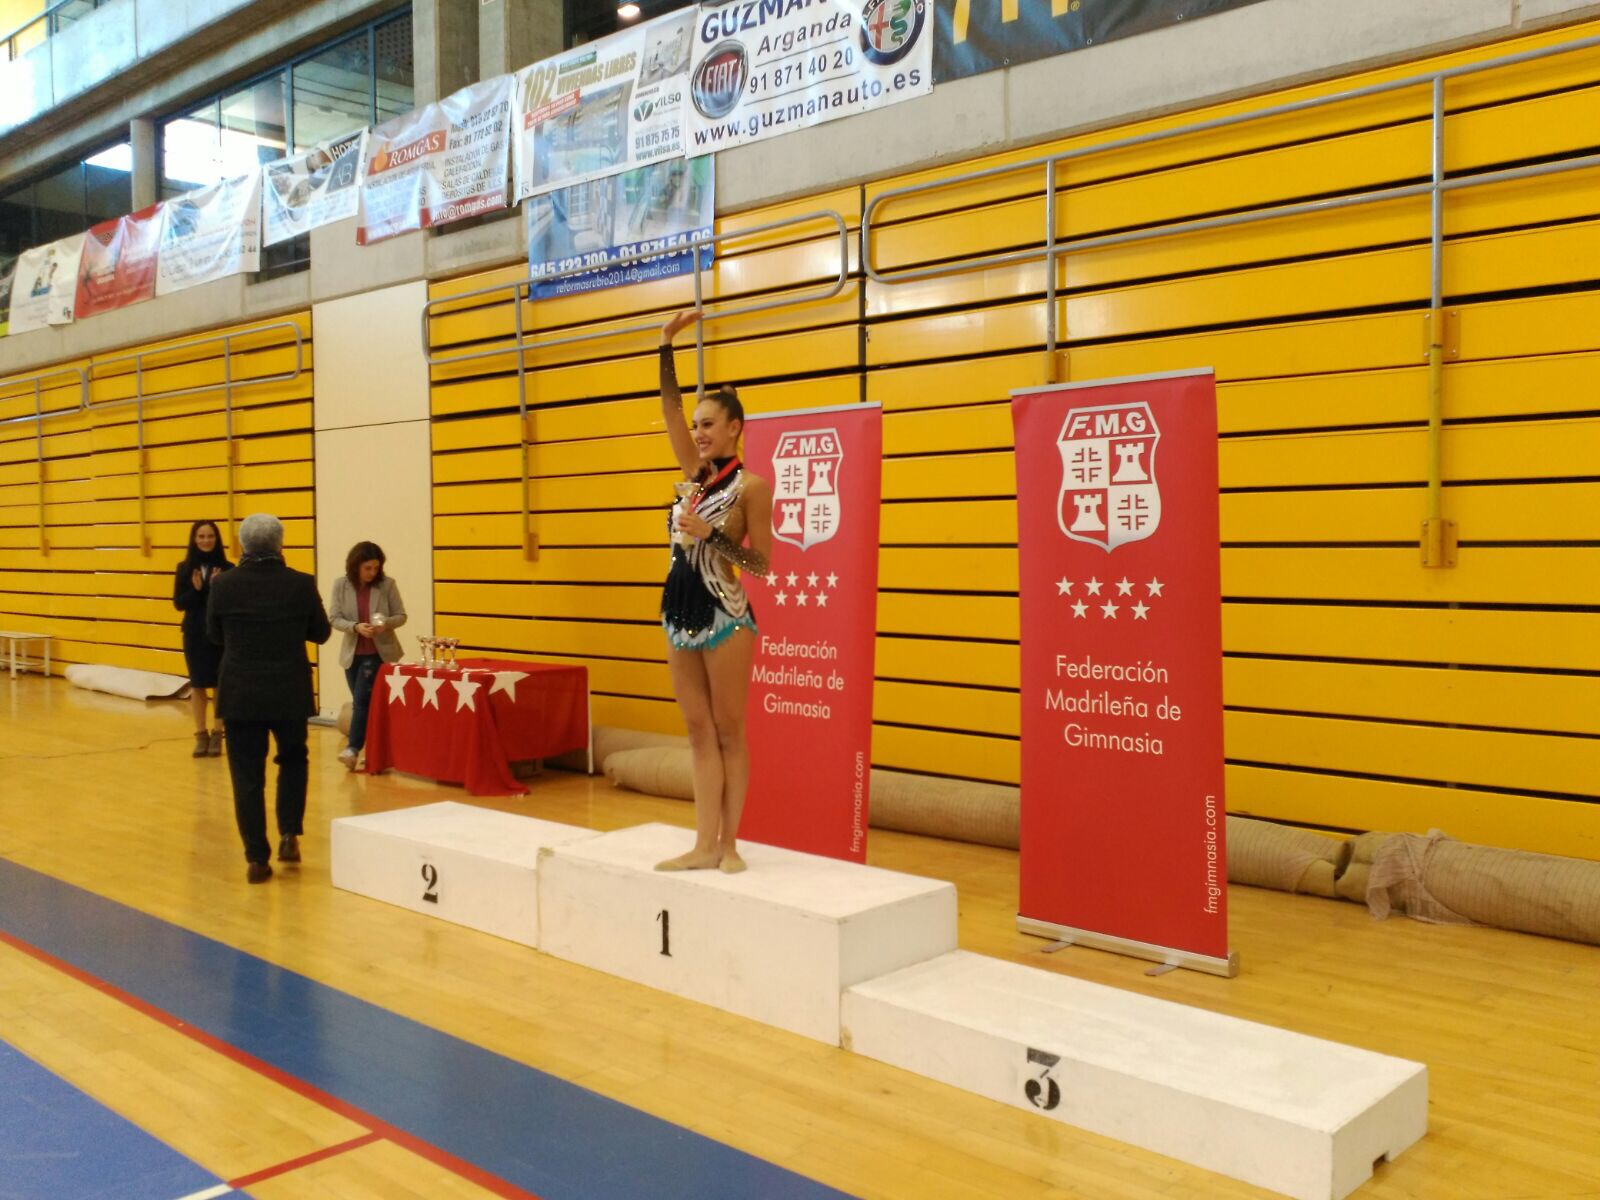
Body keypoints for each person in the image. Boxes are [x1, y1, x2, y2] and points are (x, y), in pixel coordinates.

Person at [654, 309, 773, 874]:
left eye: (709, 424)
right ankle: (703, 844)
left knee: (728, 731)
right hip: (678, 612)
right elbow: (669, 410)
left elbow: (762, 564)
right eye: (697, 424)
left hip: (727, 616)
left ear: (734, 429)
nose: (699, 432)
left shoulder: (753, 487)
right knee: (697, 730)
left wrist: (713, 537)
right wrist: (665, 345)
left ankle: (730, 845)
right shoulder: (691, 474)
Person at [206, 513, 332, 884]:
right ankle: (289, 834)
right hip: (288, 690)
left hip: (240, 692)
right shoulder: (300, 584)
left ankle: (256, 858)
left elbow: (214, 635)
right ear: (280, 544)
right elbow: (321, 633)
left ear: (242, 545)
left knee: (246, 775)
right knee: (293, 760)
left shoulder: (223, 585)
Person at [328, 541, 408, 770]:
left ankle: (352, 749)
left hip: (379, 653)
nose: (372, 572)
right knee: (368, 706)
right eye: (368, 568)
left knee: (361, 701)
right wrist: (355, 627)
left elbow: (401, 616)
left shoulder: (387, 585)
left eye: (376, 567)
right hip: (352, 655)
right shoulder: (340, 585)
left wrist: (385, 624)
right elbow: (334, 618)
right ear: (356, 566)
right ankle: (378, 752)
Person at [172, 519, 232, 757]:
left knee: (219, 684)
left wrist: (216, 587)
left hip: (219, 635)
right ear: (194, 540)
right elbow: (179, 603)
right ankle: (200, 734)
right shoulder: (184, 568)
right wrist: (197, 590)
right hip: (194, 634)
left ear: (217, 539)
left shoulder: (227, 568)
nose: (206, 540)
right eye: (201, 536)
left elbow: (228, 604)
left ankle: (218, 733)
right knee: (197, 684)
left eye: (210, 536)